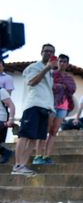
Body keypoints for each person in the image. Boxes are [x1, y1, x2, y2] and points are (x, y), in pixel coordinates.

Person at [13, 44, 56, 176]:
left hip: (45, 107)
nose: (48, 53)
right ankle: (17, 165)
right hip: (33, 105)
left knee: (34, 138)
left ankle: (23, 166)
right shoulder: (33, 67)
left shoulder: (50, 73)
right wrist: (47, 68)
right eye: (46, 51)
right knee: (24, 136)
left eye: (51, 52)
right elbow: (31, 82)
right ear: (41, 52)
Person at [34, 54, 76, 165]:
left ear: (67, 64)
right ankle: (38, 155)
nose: (62, 63)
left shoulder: (69, 78)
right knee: (45, 129)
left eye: (64, 62)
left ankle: (47, 156)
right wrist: (61, 86)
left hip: (63, 106)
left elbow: (72, 89)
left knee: (54, 131)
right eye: (60, 61)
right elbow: (49, 86)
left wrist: (60, 86)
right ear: (57, 62)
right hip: (50, 104)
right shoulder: (51, 74)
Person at [0, 86, 16, 163]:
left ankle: (5, 152)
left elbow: (11, 105)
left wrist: (11, 119)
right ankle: (5, 151)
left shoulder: (1, 90)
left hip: (1, 119)